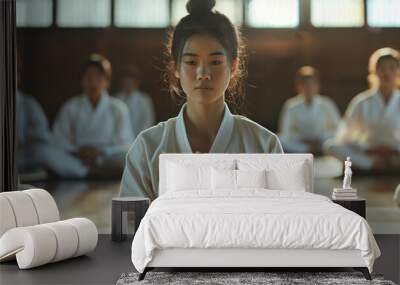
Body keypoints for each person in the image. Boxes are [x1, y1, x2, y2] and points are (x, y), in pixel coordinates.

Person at [120, 0, 283, 199]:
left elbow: (280, 223)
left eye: (215, 62)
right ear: (176, 68)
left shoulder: (264, 144)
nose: (203, 73)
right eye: (191, 62)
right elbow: (132, 227)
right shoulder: (148, 147)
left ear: (233, 66)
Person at [40, 54, 134, 178]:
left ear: (107, 82)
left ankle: (83, 171)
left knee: (128, 154)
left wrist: (101, 152)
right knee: (44, 152)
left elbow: (126, 143)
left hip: (105, 158)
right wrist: (77, 151)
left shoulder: (118, 108)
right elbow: (58, 139)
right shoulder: (71, 106)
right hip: (78, 157)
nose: (93, 82)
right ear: (82, 81)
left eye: (99, 77)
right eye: (89, 77)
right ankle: (89, 172)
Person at [324, 47, 400, 172]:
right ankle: (372, 164)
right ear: (374, 71)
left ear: (398, 72)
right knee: (330, 146)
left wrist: (394, 150)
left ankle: (385, 164)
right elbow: (343, 138)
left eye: (392, 68)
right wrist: (366, 149)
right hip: (368, 153)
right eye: (382, 68)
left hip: (396, 154)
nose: (387, 73)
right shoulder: (361, 102)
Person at [279, 66, 341, 155]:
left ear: (318, 86)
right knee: (282, 140)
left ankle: (315, 150)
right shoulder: (291, 105)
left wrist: (319, 139)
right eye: (305, 84)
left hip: (322, 142)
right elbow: (286, 132)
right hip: (301, 142)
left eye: (312, 84)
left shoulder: (327, 104)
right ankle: (310, 150)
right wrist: (305, 141)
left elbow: (338, 128)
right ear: (299, 87)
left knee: (333, 143)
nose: (309, 88)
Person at [115, 65, 156, 137]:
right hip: (120, 141)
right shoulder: (116, 98)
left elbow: (148, 123)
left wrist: (138, 139)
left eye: (130, 79)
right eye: (125, 79)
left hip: (140, 138)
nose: (128, 82)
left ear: (136, 81)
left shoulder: (144, 100)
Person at [16, 89, 51, 172]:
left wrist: (23, 140)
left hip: (24, 153)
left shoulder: (27, 103)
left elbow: (43, 133)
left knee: (45, 153)